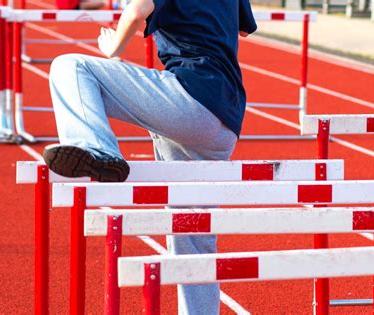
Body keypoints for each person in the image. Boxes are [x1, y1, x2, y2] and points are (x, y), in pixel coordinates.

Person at [43, 0, 257, 313]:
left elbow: (137, 12)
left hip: (191, 100)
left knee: (71, 67)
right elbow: (243, 29)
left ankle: (96, 148)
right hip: (227, 120)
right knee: (191, 234)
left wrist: (113, 46)